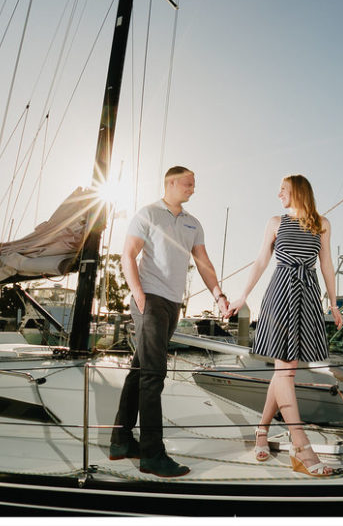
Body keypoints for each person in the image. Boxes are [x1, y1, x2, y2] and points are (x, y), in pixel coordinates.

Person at [110, 166, 229, 477]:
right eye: (189, 183)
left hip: (173, 304)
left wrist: (218, 294)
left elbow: (203, 262)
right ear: (171, 183)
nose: (193, 189)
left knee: (139, 372)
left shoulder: (193, 224)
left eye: (194, 184)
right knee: (153, 374)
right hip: (149, 298)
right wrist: (138, 293)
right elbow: (128, 254)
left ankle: (120, 441)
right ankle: (152, 455)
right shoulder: (148, 213)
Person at [225, 174, 343, 477]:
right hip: (280, 293)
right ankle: (301, 446)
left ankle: (261, 431)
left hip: (307, 294)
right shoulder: (276, 222)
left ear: (299, 191)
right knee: (285, 370)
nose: (279, 194)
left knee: (284, 372)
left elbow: (326, 263)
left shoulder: (322, 223)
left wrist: (334, 303)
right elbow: (261, 260)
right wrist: (242, 296)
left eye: (283, 190)